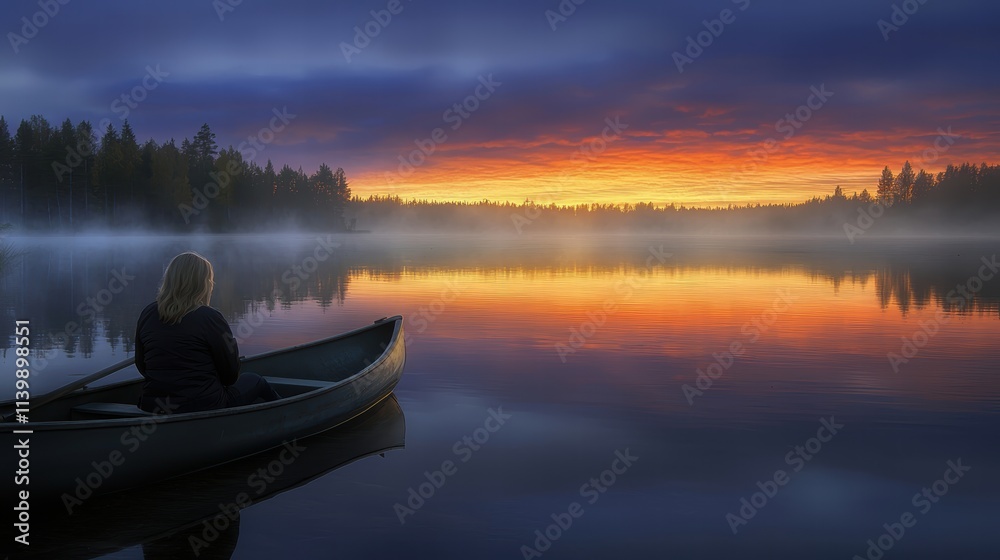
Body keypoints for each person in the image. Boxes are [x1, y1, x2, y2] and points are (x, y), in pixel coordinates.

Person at [134, 251, 280, 413]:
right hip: (202, 406)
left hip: (152, 406)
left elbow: (142, 366)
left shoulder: (147, 313)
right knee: (255, 381)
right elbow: (230, 376)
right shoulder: (210, 318)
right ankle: (285, 414)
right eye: (209, 280)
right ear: (202, 284)